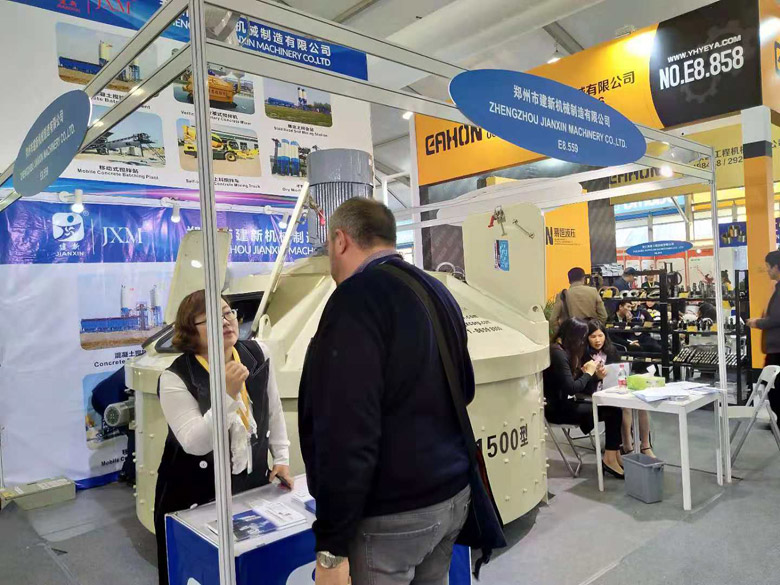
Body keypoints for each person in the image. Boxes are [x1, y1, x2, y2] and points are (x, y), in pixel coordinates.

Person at [299, 198, 482, 585]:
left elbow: (346, 431)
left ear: (340, 240)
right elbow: (464, 388)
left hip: (391, 519)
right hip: (452, 497)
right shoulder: (436, 290)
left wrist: (331, 549)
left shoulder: (354, 299)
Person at [154, 291, 292, 585]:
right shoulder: (175, 378)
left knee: (251, 569)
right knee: (202, 572)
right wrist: (226, 395)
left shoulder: (257, 353)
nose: (227, 321)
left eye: (228, 313)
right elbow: (195, 444)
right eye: (213, 318)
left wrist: (281, 458)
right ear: (191, 331)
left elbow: (273, 409)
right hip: (194, 494)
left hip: (248, 485)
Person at [544, 318, 624, 478]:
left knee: (614, 410)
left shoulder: (562, 351)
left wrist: (590, 374)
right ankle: (610, 458)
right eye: (583, 338)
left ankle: (613, 455)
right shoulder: (558, 354)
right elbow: (571, 387)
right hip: (557, 409)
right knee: (613, 411)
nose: (583, 342)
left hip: (565, 403)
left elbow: (571, 382)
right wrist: (588, 373)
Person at [586, 320, 656, 457]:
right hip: (595, 392)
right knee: (625, 406)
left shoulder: (610, 350)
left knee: (640, 403)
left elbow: (619, 370)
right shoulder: (584, 354)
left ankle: (645, 445)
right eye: (593, 336)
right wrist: (596, 377)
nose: (597, 340)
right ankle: (627, 445)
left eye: (600, 336)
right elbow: (582, 381)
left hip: (614, 387)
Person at [747, 250, 780, 417]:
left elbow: (776, 318)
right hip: (774, 350)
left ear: (776, 267)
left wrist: (757, 322)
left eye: (768, 266)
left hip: (777, 352)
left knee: (775, 393)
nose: (767, 270)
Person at [549, 266, 608, 338]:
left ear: (569, 280)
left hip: (571, 335)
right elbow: (603, 316)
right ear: (583, 278)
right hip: (590, 334)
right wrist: (595, 329)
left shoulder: (562, 295)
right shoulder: (593, 291)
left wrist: (562, 333)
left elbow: (552, 319)